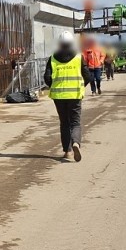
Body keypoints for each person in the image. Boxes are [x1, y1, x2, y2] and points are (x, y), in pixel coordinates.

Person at [43, 30, 90, 161]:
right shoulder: (79, 57)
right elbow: (88, 76)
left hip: (58, 97)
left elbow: (47, 78)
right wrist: (81, 85)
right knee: (75, 122)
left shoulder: (52, 58)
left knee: (64, 123)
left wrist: (55, 85)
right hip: (74, 95)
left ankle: (67, 151)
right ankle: (76, 142)